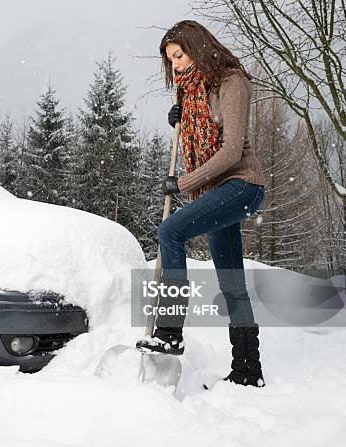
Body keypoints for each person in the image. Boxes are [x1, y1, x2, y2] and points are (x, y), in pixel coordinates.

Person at [136, 20, 267, 387]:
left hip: (241, 185)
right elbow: (199, 134)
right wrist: (177, 119)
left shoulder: (231, 82)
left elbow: (229, 152)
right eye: (169, 59)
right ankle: (247, 369)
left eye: (179, 54)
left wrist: (182, 183)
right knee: (231, 280)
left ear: (197, 46)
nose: (175, 64)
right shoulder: (190, 91)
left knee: (171, 231)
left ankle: (170, 329)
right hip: (214, 192)